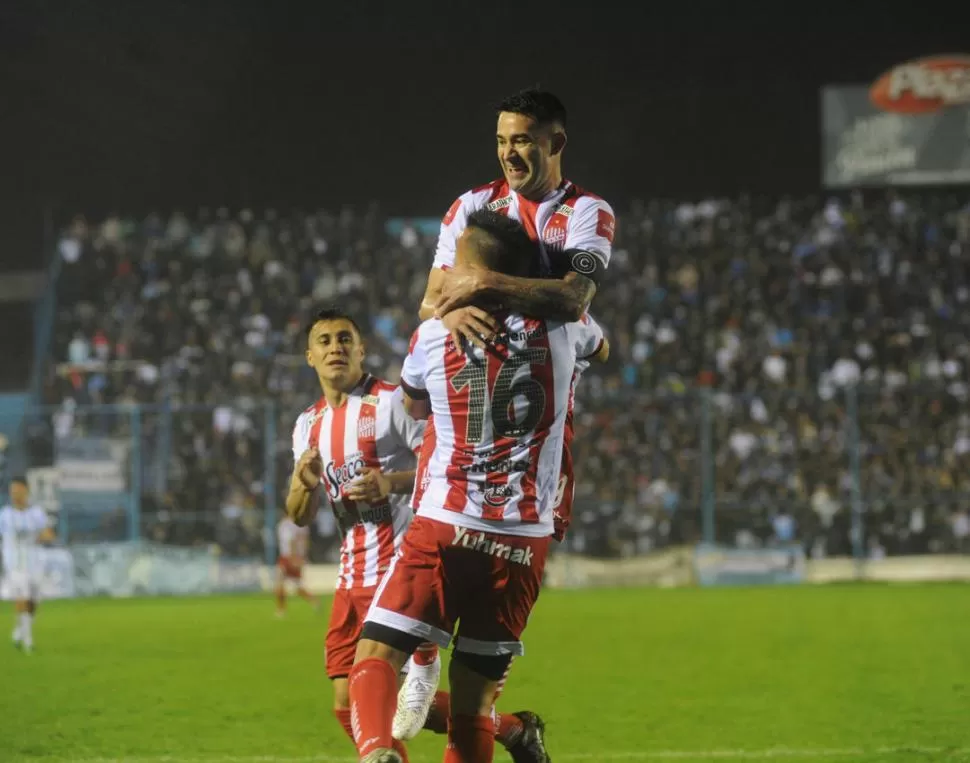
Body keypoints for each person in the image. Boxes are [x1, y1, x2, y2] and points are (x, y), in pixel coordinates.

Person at [348, 211, 607, 763]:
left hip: (445, 523)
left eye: (453, 266)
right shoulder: (570, 328)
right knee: (474, 708)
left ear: (472, 272)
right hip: (522, 540)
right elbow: (600, 345)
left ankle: (376, 751)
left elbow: (412, 403)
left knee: (374, 654)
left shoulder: (433, 334)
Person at [398, 85, 614, 737]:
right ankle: (424, 654)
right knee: (435, 521)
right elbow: (432, 296)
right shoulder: (471, 204)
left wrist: (483, 284)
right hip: (469, 409)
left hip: (536, 433)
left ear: (555, 141)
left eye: (521, 138)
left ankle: (507, 723)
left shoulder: (585, 212)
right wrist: (452, 303)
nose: (508, 151)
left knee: (485, 648)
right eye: (500, 139)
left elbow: (573, 297)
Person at [285, 307, 546, 761]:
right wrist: (301, 484)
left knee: (393, 702)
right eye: (324, 341)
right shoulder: (308, 425)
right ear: (310, 356)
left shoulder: (390, 403)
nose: (335, 348)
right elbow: (300, 516)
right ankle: (515, 730)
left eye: (345, 338)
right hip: (352, 575)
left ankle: (505, 730)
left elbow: (441, 458)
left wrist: (391, 481)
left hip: (402, 565)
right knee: (349, 706)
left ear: (362, 350)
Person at [0, 477, 55, 655]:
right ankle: (28, 641)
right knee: (22, 595)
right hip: (14, 562)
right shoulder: (5, 515)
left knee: (34, 599)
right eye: (12, 491)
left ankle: (19, 631)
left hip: (35, 560)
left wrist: (43, 537)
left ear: (26, 490)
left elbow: (48, 533)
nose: (15, 494)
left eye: (18, 490)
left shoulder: (36, 513)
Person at [273, 516, 319, 618]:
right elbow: (306, 542)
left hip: (288, 556)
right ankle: (314, 601)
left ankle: (281, 610)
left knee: (285, 584)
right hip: (296, 556)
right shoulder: (303, 524)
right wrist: (303, 557)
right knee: (289, 584)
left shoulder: (286, 525)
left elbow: (291, 541)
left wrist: (293, 558)